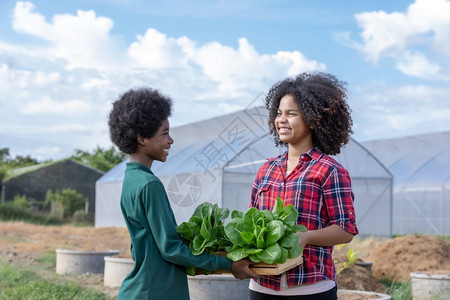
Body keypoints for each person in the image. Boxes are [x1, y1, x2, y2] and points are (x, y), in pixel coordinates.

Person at [108, 87, 259, 300]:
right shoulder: (149, 184)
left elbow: (142, 246)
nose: (170, 140)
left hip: (142, 288)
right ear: (142, 138)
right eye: (164, 133)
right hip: (157, 292)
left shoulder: (131, 180)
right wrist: (227, 264)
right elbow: (171, 249)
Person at [249, 72, 359, 299]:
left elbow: (345, 230)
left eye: (291, 114)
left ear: (311, 119)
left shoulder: (329, 170)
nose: (281, 119)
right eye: (279, 113)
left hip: (311, 287)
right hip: (262, 286)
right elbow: (251, 221)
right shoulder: (266, 170)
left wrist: (306, 237)